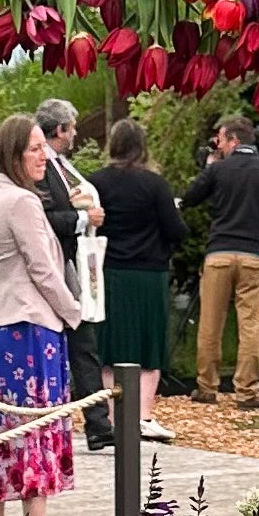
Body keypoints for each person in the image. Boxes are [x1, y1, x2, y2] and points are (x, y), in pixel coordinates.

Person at [0, 111, 81, 516]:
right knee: (34, 426)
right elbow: (43, 270)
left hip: (3, 326)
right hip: (31, 326)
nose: (44, 157)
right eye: (35, 149)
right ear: (15, 154)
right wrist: (74, 312)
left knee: (4, 429)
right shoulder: (21, 201)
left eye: (44, 148)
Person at [182, 114, 259, 405]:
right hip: (254, 254)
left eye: (220, 139)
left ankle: (207, 387)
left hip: (219, 252)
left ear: (233, 140)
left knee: (211, 323)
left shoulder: (219, 169)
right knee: (251, 324)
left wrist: (209, 167)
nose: (217, 145)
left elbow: (190, 197)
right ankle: (246, 389)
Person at [90, 117, 182, 441]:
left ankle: (113, 416)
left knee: (110, 343)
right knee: (148, 344)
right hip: (148, 273)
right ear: (142, 147)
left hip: (109, 271)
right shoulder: (155, 185)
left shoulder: (96, 182)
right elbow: (175, 229)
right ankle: (143, 417)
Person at [34, 100, 114, 454]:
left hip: (73, 261)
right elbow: (42, 217)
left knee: (84, 342)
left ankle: (98, 424)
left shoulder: (61, 166)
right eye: (72, 127)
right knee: (79, 341)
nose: (75, 133)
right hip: (55, 263)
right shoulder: (42, 168)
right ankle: (93, 422)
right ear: (60, 129)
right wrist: (83, 218)